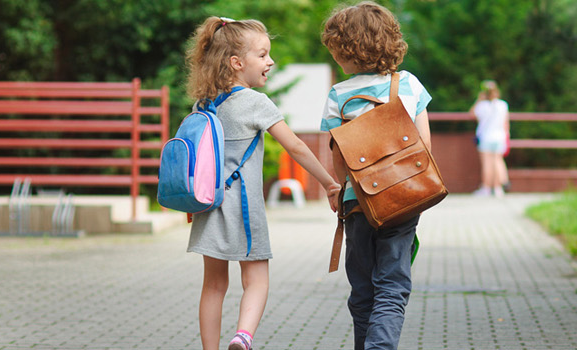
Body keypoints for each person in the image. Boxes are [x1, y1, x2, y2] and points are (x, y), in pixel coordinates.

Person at [180, 16, 344, 350]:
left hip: (208, 206)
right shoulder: (256, 103)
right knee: (256, 277)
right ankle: (243, 336)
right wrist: (330, 183)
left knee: (212, 285)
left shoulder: (203, 105)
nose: (270, 62)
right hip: (243, 208)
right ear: (237, 63)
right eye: (263, 54)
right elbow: (296, 146)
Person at [320, 2, 432, 348]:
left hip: (358, 203)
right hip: (402, 199)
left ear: (347, 50)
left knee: (363, 290)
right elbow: (424, 145)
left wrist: (340, 190)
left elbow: (338, 157)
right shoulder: (408, 85)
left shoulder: (338, 95)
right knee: (392, 286)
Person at [470, 80, 509, 198]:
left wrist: (478, 99)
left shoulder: (482, 106)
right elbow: (506, 123)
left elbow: (471, 114)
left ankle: (486, 188)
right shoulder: (503, 105)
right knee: (497, 161)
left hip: (486, 137)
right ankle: (498, 189)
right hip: (500, 136)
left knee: (487, 163)